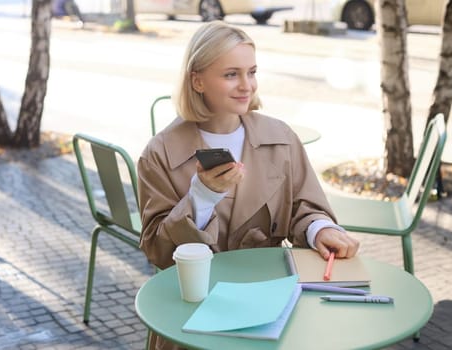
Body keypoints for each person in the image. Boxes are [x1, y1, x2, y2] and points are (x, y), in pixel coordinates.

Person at [138, 20, 360, 349]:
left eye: (251, 72)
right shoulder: (160, 154)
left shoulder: (282, 139)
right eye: (231, 74)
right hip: (193, 313)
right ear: (197, 80)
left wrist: (319, 229)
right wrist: (201, 196)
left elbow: (304, 206)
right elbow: (158, 250)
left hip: (269, 304)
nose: (247, 85)